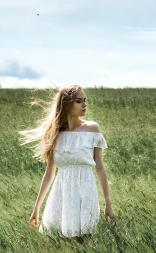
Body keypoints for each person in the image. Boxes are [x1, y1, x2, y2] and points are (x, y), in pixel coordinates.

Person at [19, 84, 116, 239]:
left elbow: (100, 168)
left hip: (86, 191)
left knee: (86, 239)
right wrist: (36, 208)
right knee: (64, 243)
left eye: (85, 100)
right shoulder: (55, 134)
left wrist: (108, 204)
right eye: (78, 101)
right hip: (62, 194)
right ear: (66, 104)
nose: (84, 104)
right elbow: (49, 174)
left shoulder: (92, 129)